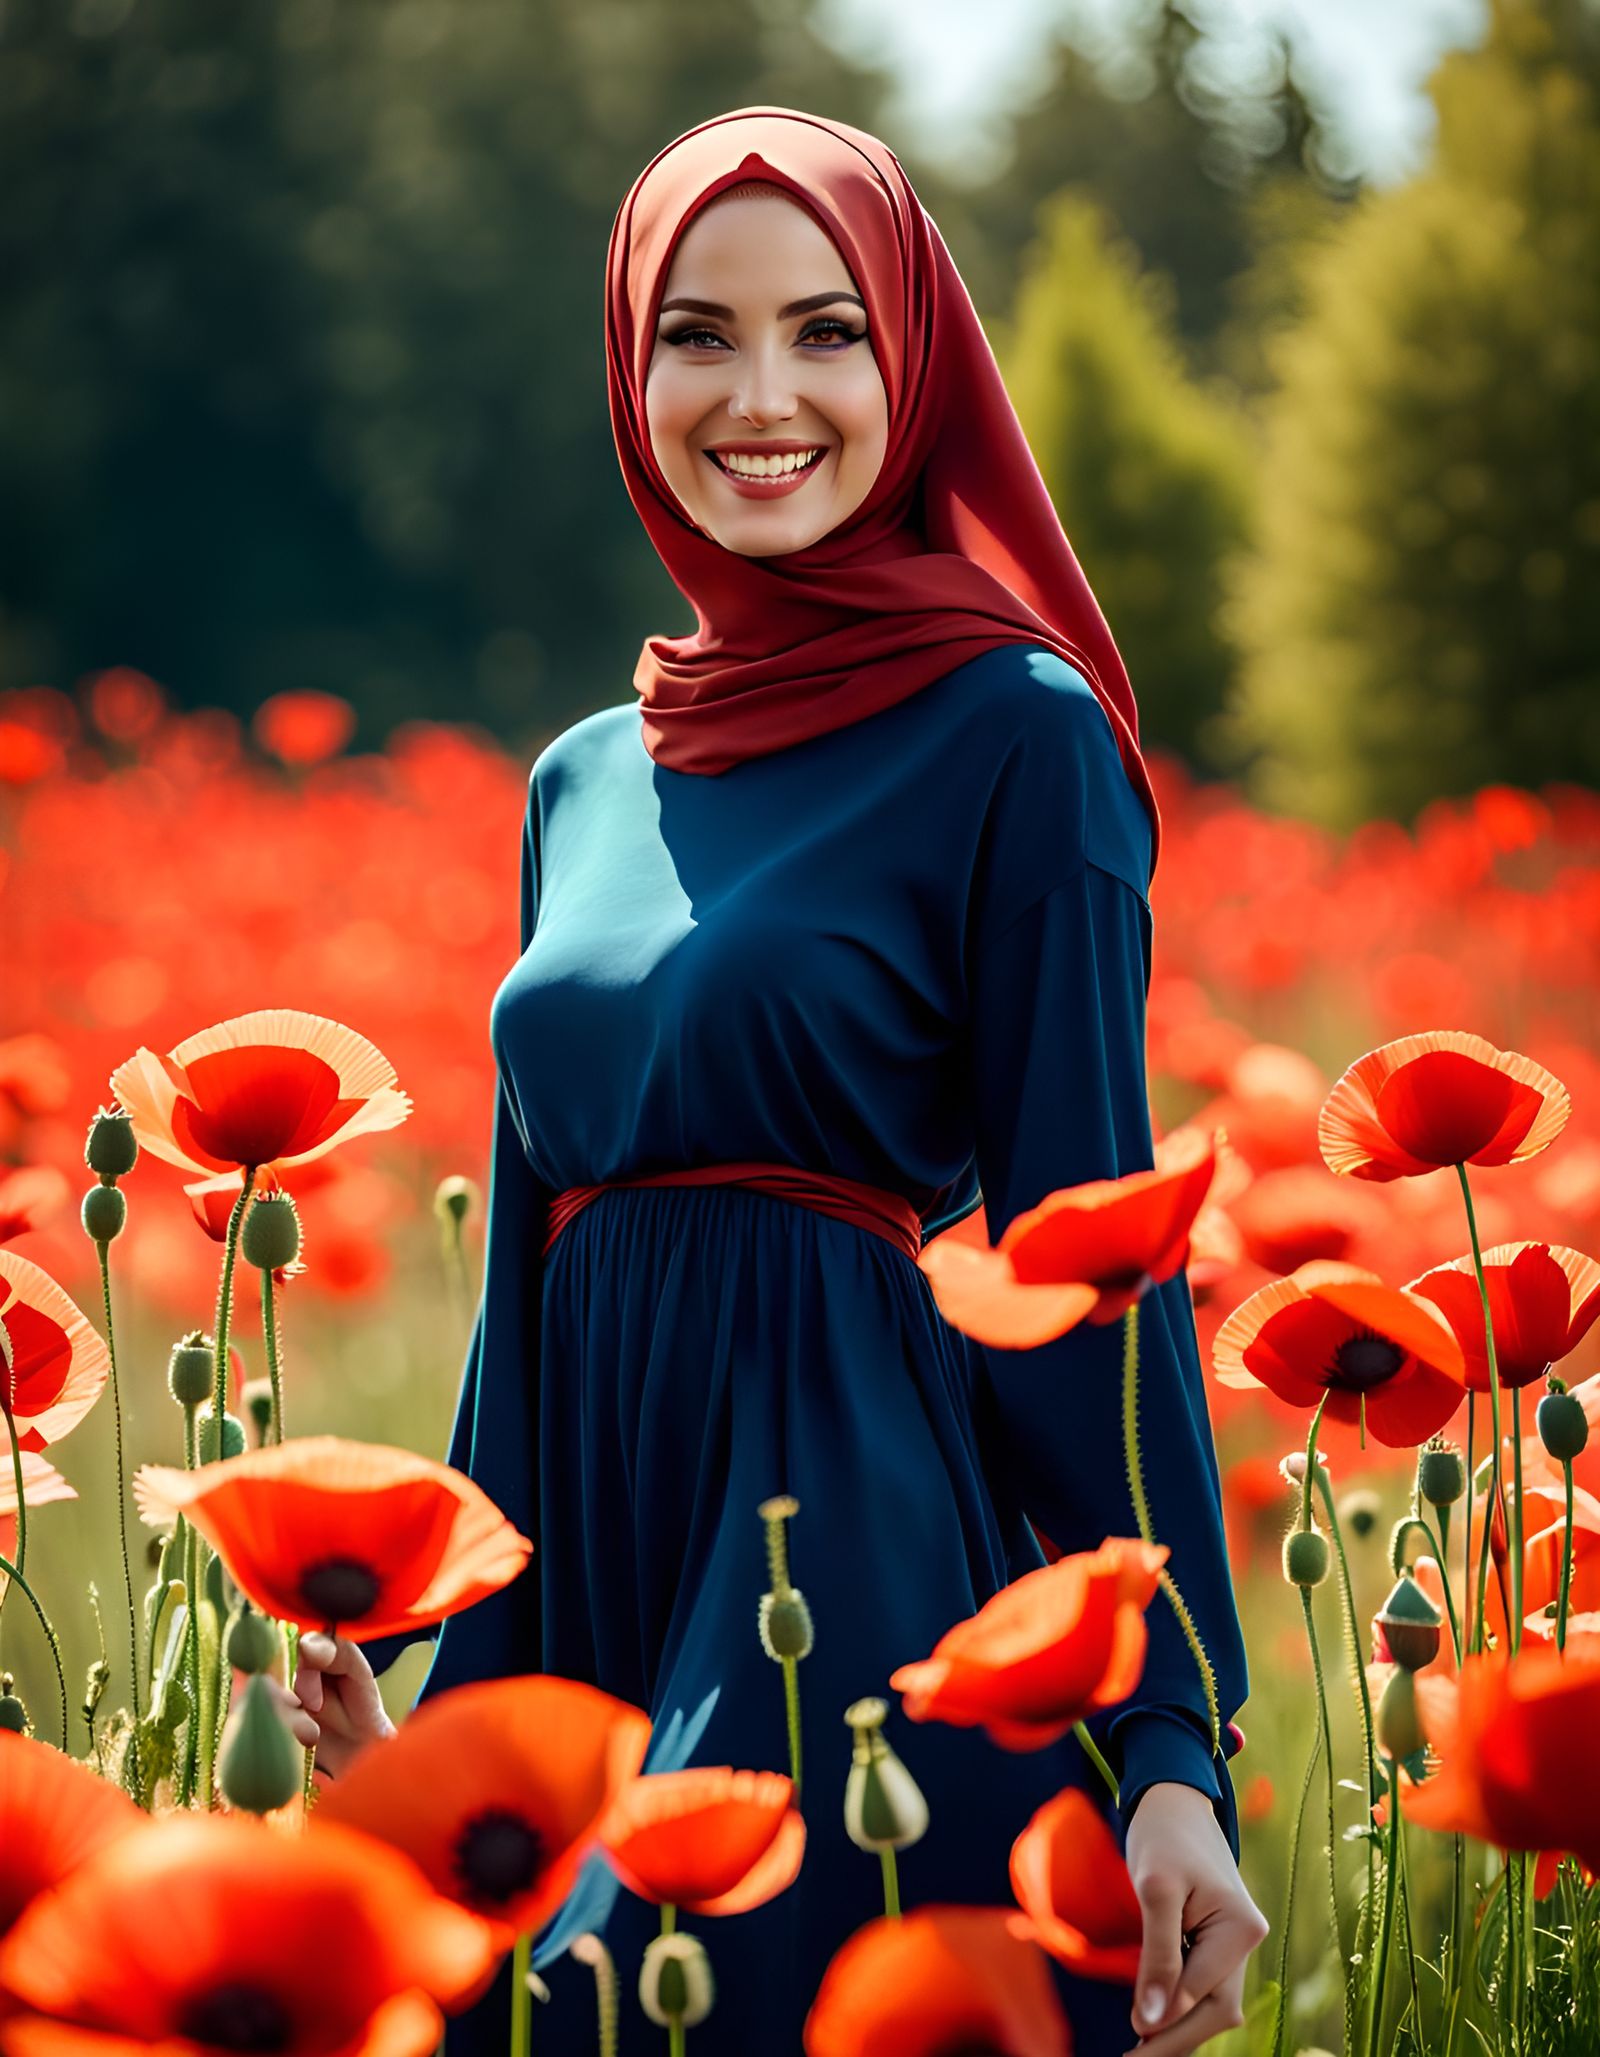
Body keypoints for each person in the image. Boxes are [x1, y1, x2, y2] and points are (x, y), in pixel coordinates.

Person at [275, 107, 1266, 2056]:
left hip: (842, 1560)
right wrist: (442, 1706)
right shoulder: (583, 774)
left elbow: (1087, 1254)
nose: (758, 394)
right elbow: (526, 1305)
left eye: (824, 331)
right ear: (625, 364)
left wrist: (1168, 1752)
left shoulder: (1014, 735)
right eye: (694, 334)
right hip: (592, 1574)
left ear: (914, 364)